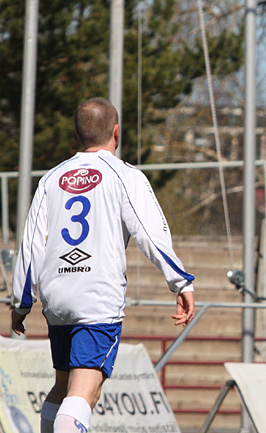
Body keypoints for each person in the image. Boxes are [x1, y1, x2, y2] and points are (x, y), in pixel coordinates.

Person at [11, 97, 195, 433]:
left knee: (63, 385)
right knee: (85, 391)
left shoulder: (52, 178)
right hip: (96, 297)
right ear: (116, 131)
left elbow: (30, 245)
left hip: (58, 296)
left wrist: (22, 303)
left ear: (78, 135)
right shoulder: (126, 176)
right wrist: (180, 282)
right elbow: (151, 235)